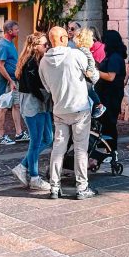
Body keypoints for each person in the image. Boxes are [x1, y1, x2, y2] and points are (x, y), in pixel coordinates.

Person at [39, 26, 96, 199]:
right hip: (80, 108)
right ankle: (82, 187)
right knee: (80, 149)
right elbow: (92, 76)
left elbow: (47, 88)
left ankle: (54, 187)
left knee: (58, 148)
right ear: (63, 39)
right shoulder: (75, 55)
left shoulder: (43, 61)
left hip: (59, 109)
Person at [10, 33, 54, 191]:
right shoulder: (30, 62)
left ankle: (22, 166)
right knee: (36, 141)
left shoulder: (38, 60)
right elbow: (33, 87)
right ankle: (34, 177)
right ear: (35, 46)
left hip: (42, 103)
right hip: (33, 104)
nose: (47, 47)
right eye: (44, 45)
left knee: (48, 138)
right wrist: (45, 96)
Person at [0, 20, 28, 145]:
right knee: (3, 107)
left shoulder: (10, 43)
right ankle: (1, 136)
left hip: (13, 80)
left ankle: (19, 133)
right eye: (16, 29)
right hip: (6, 82)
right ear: (9, 31)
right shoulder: (3, 45)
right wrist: (10, 81)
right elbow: (0, 66)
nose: (18, 31)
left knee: (16, 105)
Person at [96, 30, 128, 150]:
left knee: (110, 123)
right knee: (106, 122)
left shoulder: (114, 58)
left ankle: (111, 150)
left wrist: (95, 72)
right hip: (107, 94)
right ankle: (107, 147)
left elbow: (111, 77)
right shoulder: (112, 56)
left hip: (111, 95)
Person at [74, 28, 107, 118]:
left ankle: (99, 105)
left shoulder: (83, 50)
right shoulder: (81, 49)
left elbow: (91, 60)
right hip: (89, 76)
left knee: (89, 89)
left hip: (90, 76)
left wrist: (89, 70)